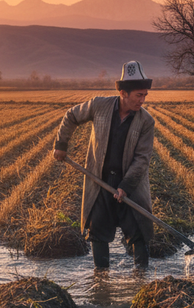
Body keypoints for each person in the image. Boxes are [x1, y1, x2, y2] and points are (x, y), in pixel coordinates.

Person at [53, 61, 155, 269]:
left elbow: (142, 158)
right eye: (139, 95)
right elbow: (71, 116)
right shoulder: (100, 106)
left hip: (130, 184)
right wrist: (61, 145)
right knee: (97, 232)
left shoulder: (146, 121)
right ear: (123, 92)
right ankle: (101, 281)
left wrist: (125, 186)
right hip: (99, 179)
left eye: (145, 95)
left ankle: (142, 279)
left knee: (138, 232)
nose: (142, 100)